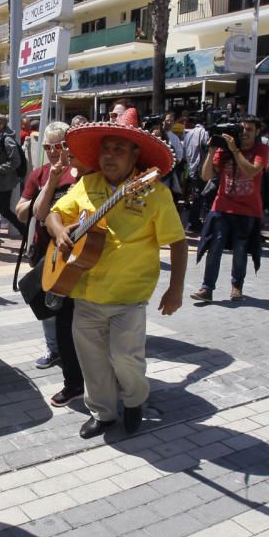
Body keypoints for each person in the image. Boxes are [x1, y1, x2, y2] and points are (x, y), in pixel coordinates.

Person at [46, 108, 187, 439]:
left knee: (125, 359)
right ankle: (103, 413)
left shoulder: (154, 192)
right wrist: (59, 232)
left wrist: (175, 289)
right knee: (92, 361)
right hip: (86, 293)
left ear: (135, 155)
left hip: (128, 296)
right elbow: (54, 213)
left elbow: (178, 243)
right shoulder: (88, 183)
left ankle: (135, 401)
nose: (109, 156)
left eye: (118, 150)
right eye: (106, 149)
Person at [15, 121, 84, 406]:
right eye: (48, 147)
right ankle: (57, 353)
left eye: (59, 146)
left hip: (80, 256)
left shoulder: (83, 171)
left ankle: (80, 375)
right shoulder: (41, 174)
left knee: (74, 319)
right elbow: (26, 212)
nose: (54, 152)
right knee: (50, 310)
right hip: (47, 254)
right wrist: (51, 183)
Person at [190, 115, 269, 303]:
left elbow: (251, 171)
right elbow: (206, 175)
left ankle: (236, 286)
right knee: (214, 246)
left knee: (240, 249)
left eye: (249, 129)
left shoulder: (261, 149)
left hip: (247, 210)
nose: (244, 133)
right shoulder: (224, 150)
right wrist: (211, 151)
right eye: (242, 129)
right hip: (222, 206)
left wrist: (235, 150)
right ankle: (207, 288)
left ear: (257, 131)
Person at [0, 114, 26, 242]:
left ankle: (24, 231)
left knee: (4, 210)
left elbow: (15, 161)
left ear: (2, 125)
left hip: (4, 182)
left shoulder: (7, 140)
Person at [183, 115, 211, 233]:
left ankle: (192, 221)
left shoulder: (188, 134)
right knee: (200, 196)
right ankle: (193, 222)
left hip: (190, 167)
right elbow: (206, 147)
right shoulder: (203, 132)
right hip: (200, 168)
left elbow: (184, 151)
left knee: (196, 195)